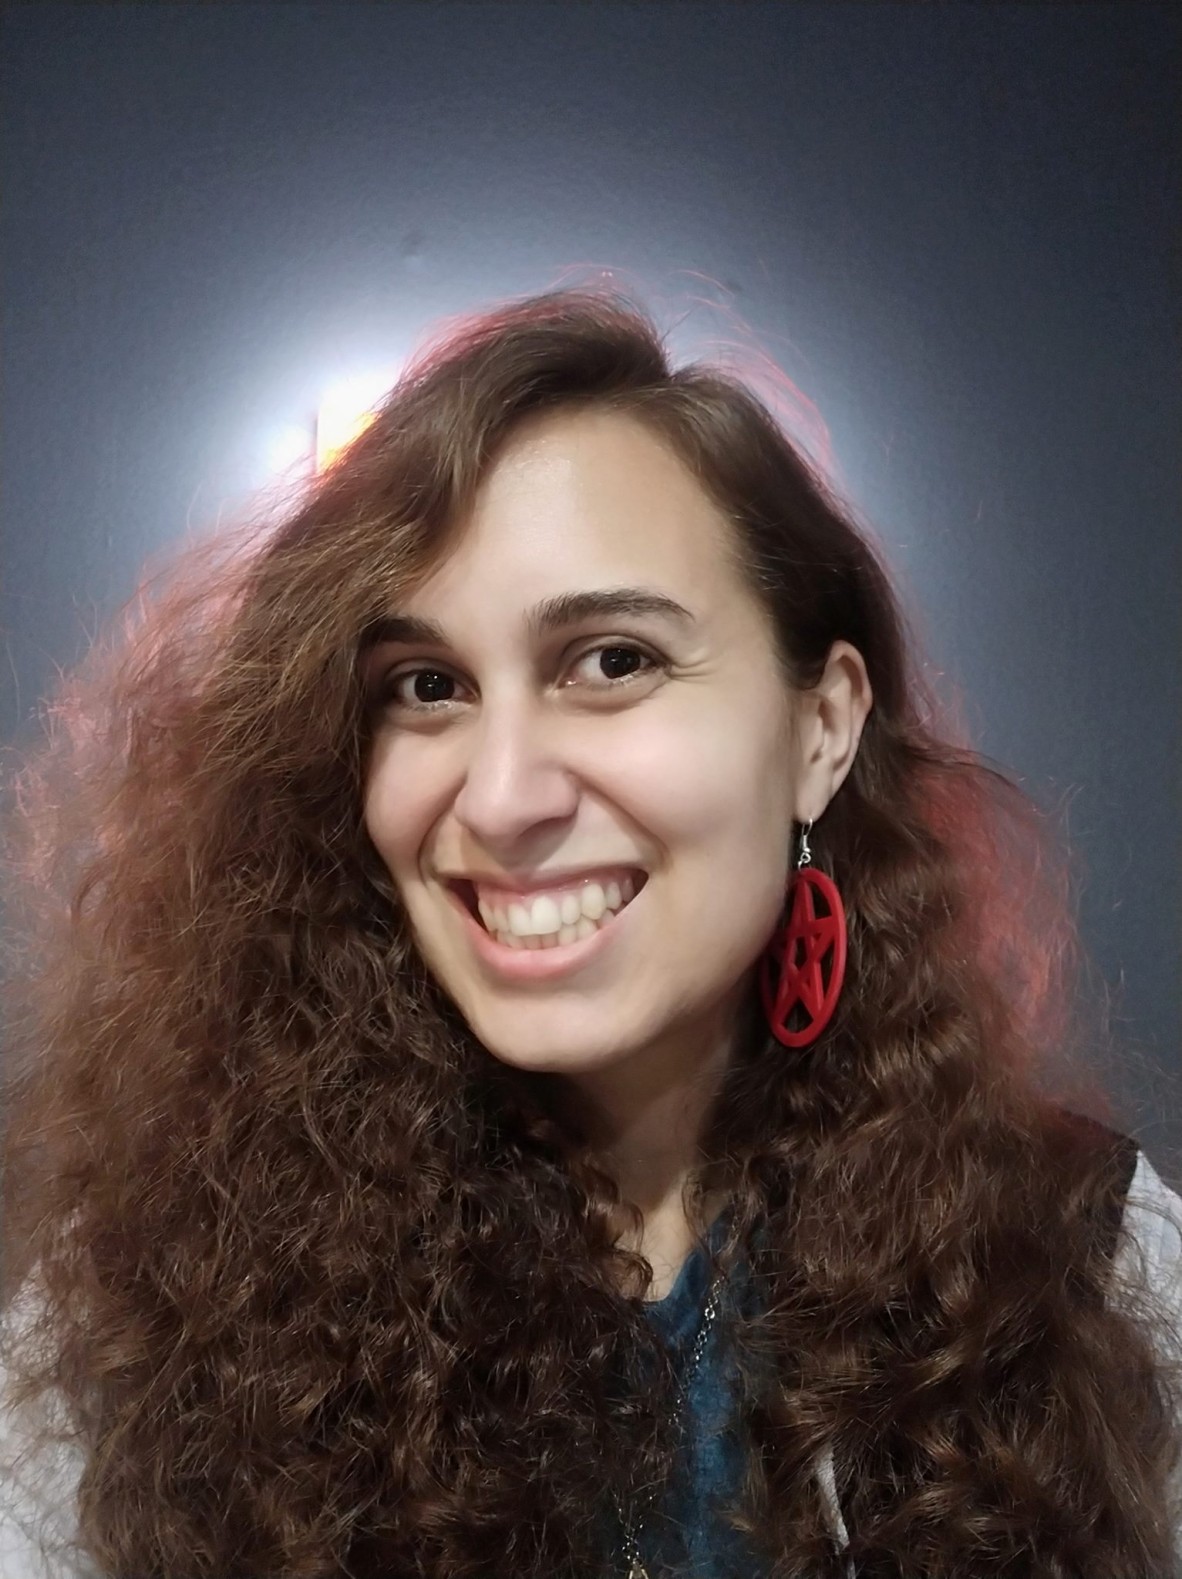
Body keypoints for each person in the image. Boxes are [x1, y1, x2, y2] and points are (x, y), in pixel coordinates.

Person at [2, 284, 1181, 1579]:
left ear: (820, 729)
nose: (502, 799)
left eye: (611, 660)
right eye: (426, 686)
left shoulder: (1091, 1267)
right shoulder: (145, 1293)